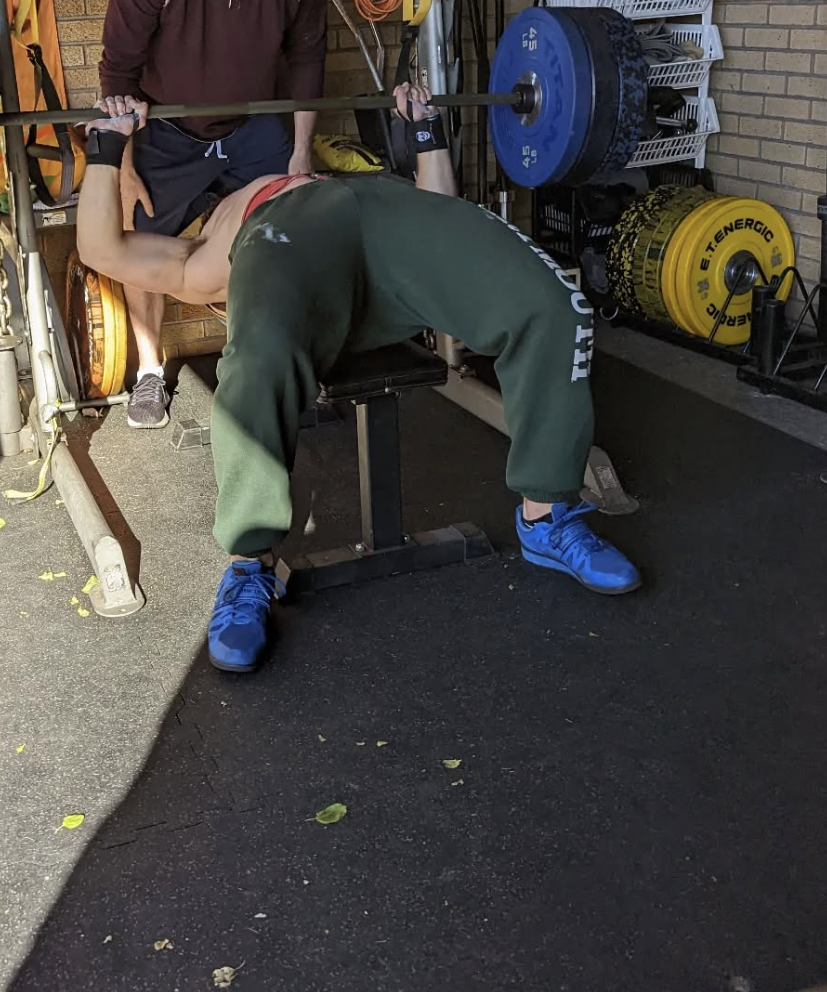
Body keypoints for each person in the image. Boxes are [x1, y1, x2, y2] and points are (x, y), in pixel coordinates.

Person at [77, 86, 642, 675]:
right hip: (288, 232)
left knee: (553, 304)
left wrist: (423, 130)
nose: (212, 202)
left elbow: (441, 216)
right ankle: (250, 566)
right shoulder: (205, 262)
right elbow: (99, 247)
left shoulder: (285, 200)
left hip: (386, 209)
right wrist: (107, 147)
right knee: (258, 355)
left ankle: (545, 516)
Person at [97, 0, 327, 430]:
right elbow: (117, 68)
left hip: (255, 123)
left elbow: (307, 58)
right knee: (135, 236)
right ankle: (149, 373)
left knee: (287, 229)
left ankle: (271, 360)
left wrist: (300, 153)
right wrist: (122, 169)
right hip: (167, 128)